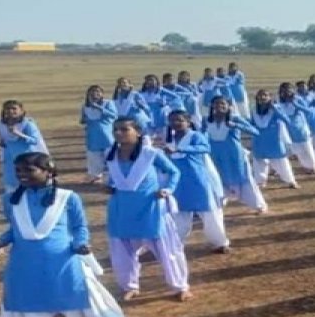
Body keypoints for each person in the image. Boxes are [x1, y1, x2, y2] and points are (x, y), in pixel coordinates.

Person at [0, 152, 161, 317]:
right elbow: (16, 231)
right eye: (18, 171)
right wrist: (0, 241)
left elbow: (79, 227)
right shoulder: (11, 199)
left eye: (29, 170)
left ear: (48, 171)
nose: (22, 175)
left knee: (101, 316)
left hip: (65, 268)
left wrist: (80, 244)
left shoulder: (68, 197)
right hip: (24, 270)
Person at [105, 118, 192, 302]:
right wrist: (110, 185)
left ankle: (180, 285)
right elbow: (114, 177)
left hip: (149, 207)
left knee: (166, 249)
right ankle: (130, 285)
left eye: (124, 129)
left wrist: (167, 190)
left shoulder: (151, 154)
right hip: (121, 208)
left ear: (137, 132)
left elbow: (174, 172)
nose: (118, 133)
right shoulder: (111, 154)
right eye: (116, 130)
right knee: (123, 250)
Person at [165, 110, 230, 253]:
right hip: (179, 183)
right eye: (172, 120)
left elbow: (205, 147)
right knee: (179, 214)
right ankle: (175, 243)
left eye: (179, 120)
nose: (175, 123)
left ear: (188, 122)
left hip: (198, 180)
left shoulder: (195, 136)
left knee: (210, 213)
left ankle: (220, 242)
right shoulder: (171, 139)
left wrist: (182, 148)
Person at [203, 96, 267, 213]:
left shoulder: (235, 119)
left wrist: (236, 126)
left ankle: (258, 204)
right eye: (216, 104)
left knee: (244, 179)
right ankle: (217, 204)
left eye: (223, 104)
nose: (219, 106)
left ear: (228, 106)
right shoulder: (206, 120)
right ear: (212, 106)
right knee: (217, 178)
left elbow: (255, 131)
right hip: (215, 155)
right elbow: (201, 135)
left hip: (234, 156)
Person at [249, 89, 299, 189]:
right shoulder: (254, 111)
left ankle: (290, 181)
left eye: (265, 96)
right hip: (259, 142)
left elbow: (286, 120)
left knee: (282, 163)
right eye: (260, 96)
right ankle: (260, 182)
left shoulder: (276, 110)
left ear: (270, 98)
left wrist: (275, 109)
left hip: (274, 142)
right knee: (259, 163)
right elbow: (251, 124)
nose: (262, 98)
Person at [0, 100, 48, 193]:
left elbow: (34, 140)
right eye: (8, 109)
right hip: (10, 157)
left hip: (26, 156)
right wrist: (1, 142)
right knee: (12, 183)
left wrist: (19, 134)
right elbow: (2, 138)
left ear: (21, 111)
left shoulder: (28, 124)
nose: (11, 111)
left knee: (29, 181)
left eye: (14, 109)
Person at [276, 83, 315, 176]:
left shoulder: (298, 99)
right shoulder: (279, 103)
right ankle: (306, 166)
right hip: (290, 131)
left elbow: (308, 110)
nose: (286, 92)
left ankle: (313, 166)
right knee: (298, 151)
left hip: (301, 129)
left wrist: (296, 104)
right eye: (284, 90)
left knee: (308, 149)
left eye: (288, 90)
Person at [79, 86, 117, 184]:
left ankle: (113, 177)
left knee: (110, 156)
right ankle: (96, 176)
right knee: (93, 157)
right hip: (92, 135)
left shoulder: (108, 103)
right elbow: (83, 119)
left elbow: (114, 115)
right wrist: (83, 120)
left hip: (106, 135)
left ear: (102, 94)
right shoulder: (85, 106)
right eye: (92, 92)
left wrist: (99, 108)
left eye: (98, 92)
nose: (95, 94)